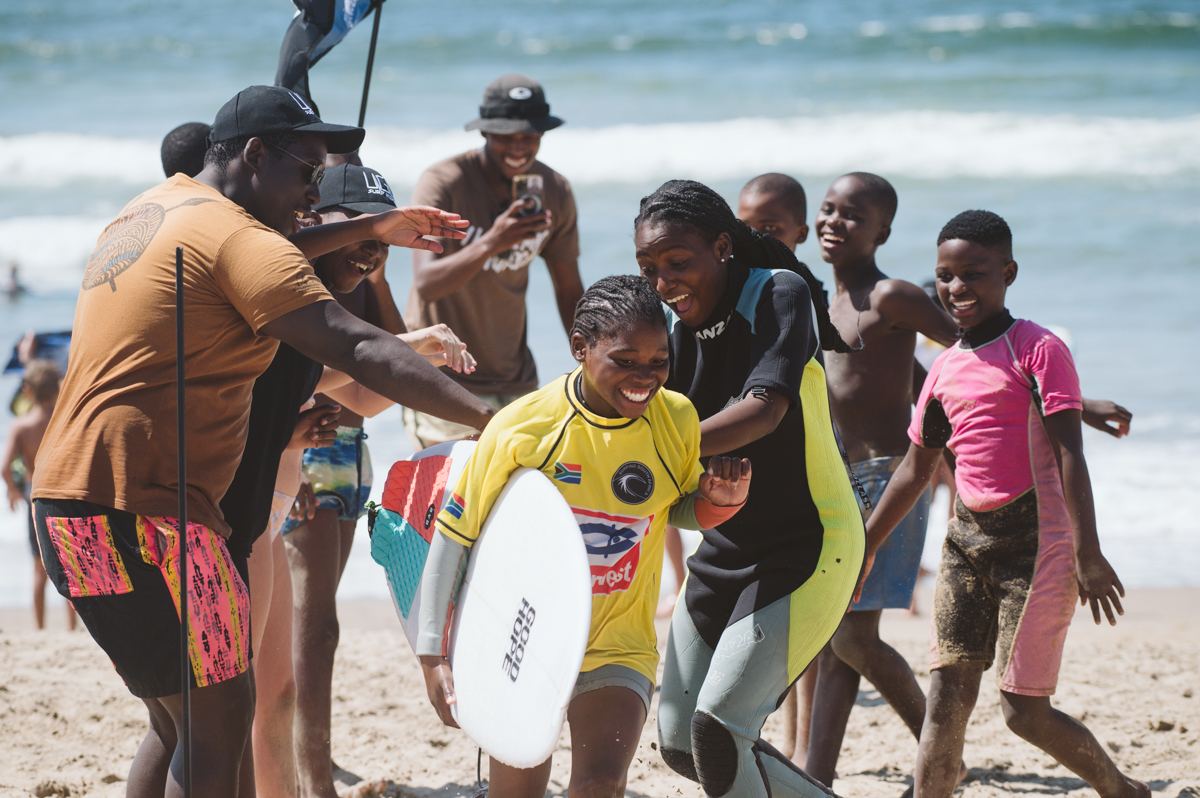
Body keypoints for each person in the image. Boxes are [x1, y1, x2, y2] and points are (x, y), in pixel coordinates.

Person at [30, 84, 494, 797]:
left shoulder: (156, 210)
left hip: (68, 516)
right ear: (253, 155)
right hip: (156, 523)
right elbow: (360, 347)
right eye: (306, 173)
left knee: (175, 719)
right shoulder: (238, 239)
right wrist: (493, 421)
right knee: (218, 720)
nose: (311, 195)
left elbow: (256, 248)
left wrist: (367, 229)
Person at [799, 175, 1135, 790]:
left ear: (1008, 272)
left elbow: (1069, 456)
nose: (956, 289)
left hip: (1037, 546)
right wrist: (864, 548)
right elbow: (913, 469)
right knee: (946, 702)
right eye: (947, 276)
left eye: (974, 275)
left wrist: (1088, 552)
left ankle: (1122, 788)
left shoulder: (1039, 349)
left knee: (1023, 713)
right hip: (964, 546)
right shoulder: (945, 370)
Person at [419, 275, 752, 797]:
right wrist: (432, 656)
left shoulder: (676, 420)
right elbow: (456, 534)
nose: (645, 377)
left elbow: (676, 511)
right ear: (580, 348)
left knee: (600, 784)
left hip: (618, 644)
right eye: (624, 360)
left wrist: (719, 503)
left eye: (658, 361)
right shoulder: (524, 427)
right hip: (523, 637)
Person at [635, 179, 861, 797]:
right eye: (649, 269)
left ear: (723, 247)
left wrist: (655, 448)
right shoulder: (677, 333)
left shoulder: (777, 295)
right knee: (684, 743)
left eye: (678, 263)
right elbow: (676, 476)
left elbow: (764, 409)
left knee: (719, 731)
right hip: (726, 551)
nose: (664, 283)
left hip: (809, 544)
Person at [403, 73, 583, 447]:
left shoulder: (554, 190)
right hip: (443, 378)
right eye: (505, 136)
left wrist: (589, 360)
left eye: (529, 136)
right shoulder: (445, 183)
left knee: (520, 494)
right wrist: (492, 242)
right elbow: (426, 284)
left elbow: (568, 288)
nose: (518, 147)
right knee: (454, 498)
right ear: (484, 133)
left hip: (515, 380)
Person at [733, 171, 819, 764]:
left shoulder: (797, 295)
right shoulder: (742, 299)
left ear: (801, 233)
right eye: (746, 228)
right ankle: (781, 743)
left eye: (771, 230)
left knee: (815, 637)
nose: (756, 238)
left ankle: (801, 746)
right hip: (750, 489)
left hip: (817, 474)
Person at [2, 360, 75, 631]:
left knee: (38, 569)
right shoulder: (64, 420)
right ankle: (71, 628)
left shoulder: (22, 427)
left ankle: (40, 629)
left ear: (28, 391)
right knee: (70, 567)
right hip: (66, 496)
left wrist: (11, 490)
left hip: (37, 499)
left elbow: (4, 467)